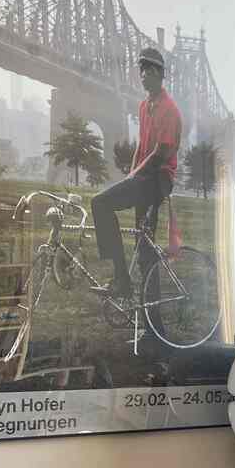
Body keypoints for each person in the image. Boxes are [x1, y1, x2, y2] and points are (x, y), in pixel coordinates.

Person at [91, 47, 183, 298]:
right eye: (140, 69)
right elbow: (142, 148)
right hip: (144, 178)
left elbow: (160, 154)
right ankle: (153, 329)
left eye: (144, 70)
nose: (140, 75)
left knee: (100, 203)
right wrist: (130, 174)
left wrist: (134, 177)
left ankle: (121, 280)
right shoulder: (144, 107)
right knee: (144, 247)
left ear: (155, 72)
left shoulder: (170, 109)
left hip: (158, 179)